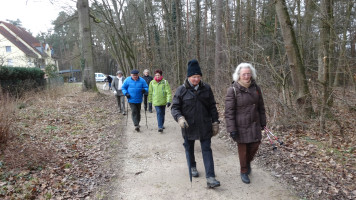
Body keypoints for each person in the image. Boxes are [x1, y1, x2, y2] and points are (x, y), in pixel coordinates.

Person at [171, 59, 221, 188]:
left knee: (207, 149)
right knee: (189, 148)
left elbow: (212, 107)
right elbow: (175, 108)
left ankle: (210, 177)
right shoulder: (181, 90)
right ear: (188, 77)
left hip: (205, 125)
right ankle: (192, 166)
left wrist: (215, 122)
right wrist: (180, 118)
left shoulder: (206, 88)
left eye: (198, 77)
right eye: (194, 77)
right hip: (188, 125)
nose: (196, 79)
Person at [224, 62, 266, 184]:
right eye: (244, 74)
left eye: (248, 74)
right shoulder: (233, 90)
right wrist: (231, 128)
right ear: (238, 75)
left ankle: (247, 163)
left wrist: (263, 122)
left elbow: (261, 107)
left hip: (254, 123)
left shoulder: (256, 88)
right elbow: (229, 111)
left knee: (255, 145)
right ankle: (243, 171)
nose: (246, 76)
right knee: (243, 149)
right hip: (240, 125)